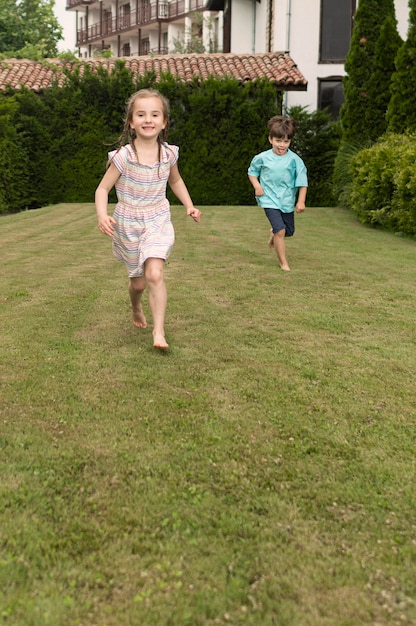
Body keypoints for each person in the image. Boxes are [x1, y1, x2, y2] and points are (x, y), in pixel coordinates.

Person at [95, 88, 201, 350]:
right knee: (139, 282)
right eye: (141, 114)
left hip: (157, 218)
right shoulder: (123, 157)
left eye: (155, 114)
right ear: (131, 122)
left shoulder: (168, 154)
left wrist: (189, 205)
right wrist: (102, 215)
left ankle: (159, 332)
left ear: (164, 122)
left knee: (154, 274)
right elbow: (102, 189)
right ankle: (135, 306)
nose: (148, 119)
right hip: (129, 222)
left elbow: (175, 180)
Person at [248, 115, 308, 271]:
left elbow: (302, 183)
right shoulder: (262, 158)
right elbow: (252, 172)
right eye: (278, 141)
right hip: (268, 198)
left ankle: (274, 233)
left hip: (286, 201)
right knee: (280, 230)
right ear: (270, 139)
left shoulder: (295, 160)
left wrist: (300, 201)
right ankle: (284, 263)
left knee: (288, 231)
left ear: (290, 141)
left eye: (286, 142)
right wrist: (257, 186)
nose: (282, 145)